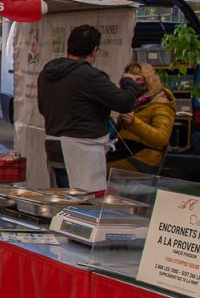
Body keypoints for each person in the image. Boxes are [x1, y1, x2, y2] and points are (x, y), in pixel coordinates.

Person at [37, 24, 139, 192]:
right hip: (81, 152)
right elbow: (125, 103)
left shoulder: (47, 73)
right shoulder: (89, 76)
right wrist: (128, 81)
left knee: (62, 201)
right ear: (95, 50)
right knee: (84, 207)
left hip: (54, 147)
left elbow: (42, 109)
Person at [109, 61, 177, 172]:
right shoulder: (137, 101)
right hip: (126, 151)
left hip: (143, 157)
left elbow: (161, 138)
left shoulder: (161, 105)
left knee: (98, 171)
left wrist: (133, 122)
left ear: (145, 80)